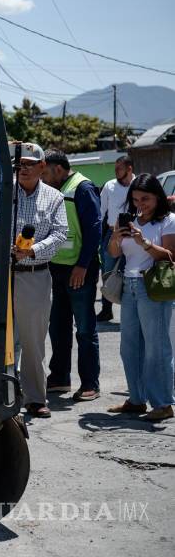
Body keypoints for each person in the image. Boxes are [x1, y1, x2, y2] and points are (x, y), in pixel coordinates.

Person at [0, 143, 68, 418]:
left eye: (29, 164)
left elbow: (60, 234)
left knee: (33, 341)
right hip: (1, 273)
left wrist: (32, 250)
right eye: (18, 163)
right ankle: (1, 395)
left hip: (34, 275)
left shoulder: (54, 197)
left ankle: (35, 398)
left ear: (41, 167)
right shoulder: (1, 186)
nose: (22, 169)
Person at [106, 173, 175, 421]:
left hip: (153, 286)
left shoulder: (169, 221)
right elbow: (113, 253)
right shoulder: (130, 220)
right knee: (130, 347)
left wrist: (143, 242)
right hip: (129, 285)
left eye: (145, 198)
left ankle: (164, 403)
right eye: (135, 199)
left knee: (157, 348)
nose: (140, 204)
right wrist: (116, 237)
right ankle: (136, 399)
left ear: (157, 196)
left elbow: (170, 256)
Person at [42, 149, 102, 402]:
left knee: (85, 329)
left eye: (45, 172)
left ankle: (90, 383)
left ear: (58, 169)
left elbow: (94, 229)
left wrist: (82, 265)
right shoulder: (54, 190)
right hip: (56, 267)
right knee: (58, 326)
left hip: (79, 269)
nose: (42, 178)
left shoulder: (82, 187)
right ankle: (59, 378)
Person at [97, 156, 135, 322]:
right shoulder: (109, 186)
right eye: (115, 168)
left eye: (119, 168)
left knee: (133, 273)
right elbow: (100, 211)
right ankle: (106, 310)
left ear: (129, 168)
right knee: (108, 273)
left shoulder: (140, 183)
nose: (116, 171)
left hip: (135, 235)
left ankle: (133, 311)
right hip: (112, 234)